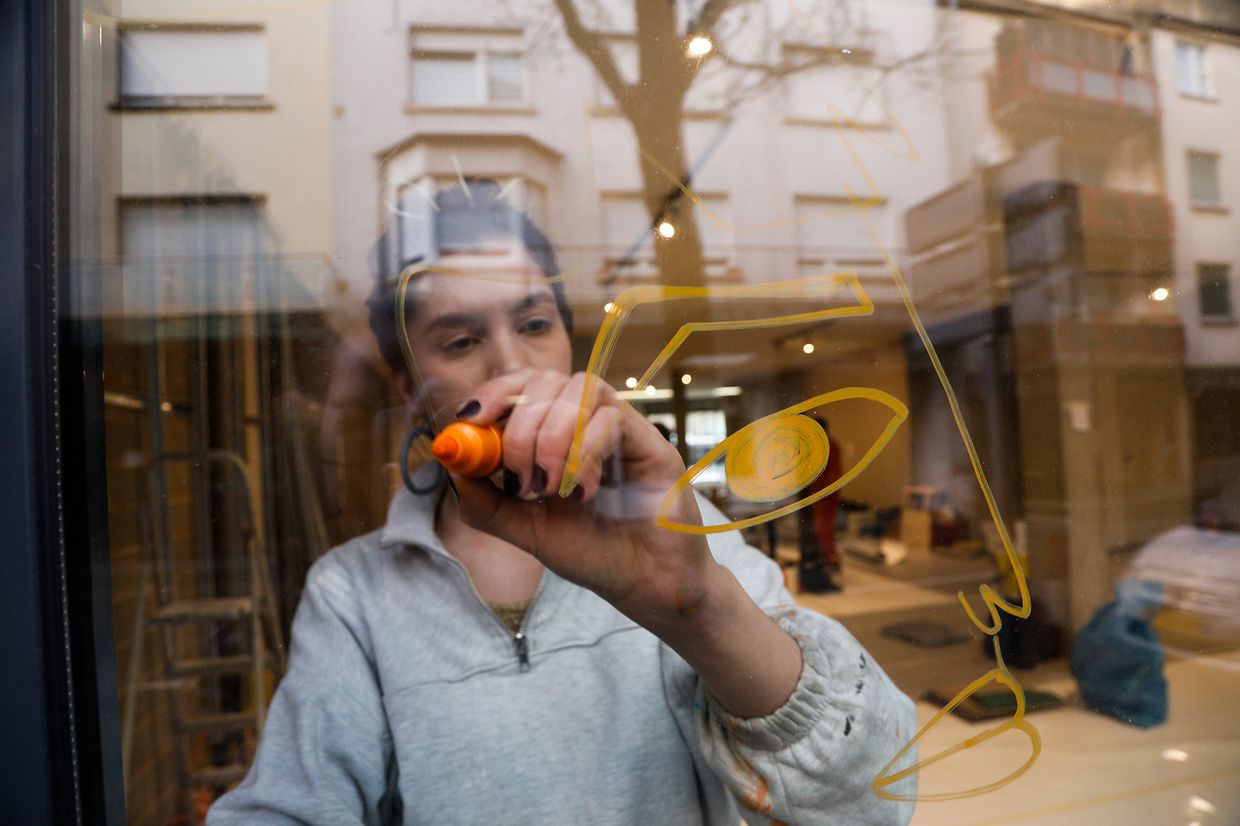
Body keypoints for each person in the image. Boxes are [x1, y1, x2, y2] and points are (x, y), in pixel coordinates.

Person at [208, 184, 916, 824]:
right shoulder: (353, 595)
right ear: (406, 389)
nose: (513, 367)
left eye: (537, 324)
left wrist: (699, 607)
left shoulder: (690, 541)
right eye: (460, 340)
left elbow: (872, 802)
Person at [798, 416, 844, 594]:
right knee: (815, 537)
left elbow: (832, 477)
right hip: (813, 499)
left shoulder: (829, 446)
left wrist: (818, 497)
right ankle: (813, 577)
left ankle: (822, 574)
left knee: (822, 536)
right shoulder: (816, 446)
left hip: (821, 500)